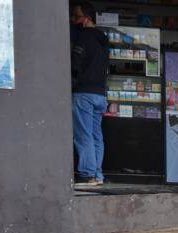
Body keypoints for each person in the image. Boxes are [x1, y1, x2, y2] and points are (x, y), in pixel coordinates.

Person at [70, 1, 110, 187]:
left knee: (83, 135)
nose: (73, 20)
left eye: (77, 17)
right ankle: (98, 175)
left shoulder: (82, 38)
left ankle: (87, 176)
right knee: (96, 136)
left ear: (86, 19)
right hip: (100, 95)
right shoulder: (103, 41)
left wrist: (72, 83)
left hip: (84, 94)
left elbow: (75, 66)